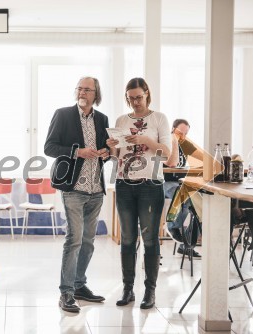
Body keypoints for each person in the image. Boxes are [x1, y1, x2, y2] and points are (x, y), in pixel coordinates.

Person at [44, 76, 110, 313]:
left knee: (88, 242)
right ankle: (66, 292)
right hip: (73, 188)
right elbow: (49, 147)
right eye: (79, 88)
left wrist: (107, 152)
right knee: (74, 240)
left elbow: (108, 149)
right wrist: (77, 152)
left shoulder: (102, 119)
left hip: (96, 189)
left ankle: (80, 285)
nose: (82, 92)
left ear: (96, 94)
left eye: (87, 89)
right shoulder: (62, 114)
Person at [106, 77, 171, 309]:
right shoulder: (121, 120)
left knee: (150, 239)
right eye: (131, 98)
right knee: (127, 239)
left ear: (147, 94)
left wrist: (144, 139)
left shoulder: (159, 118)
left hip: (150, 185)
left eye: (139, 97)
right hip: (124, 183)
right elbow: (115, 157)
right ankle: (127, 289)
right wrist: (112, 145)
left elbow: (168, 155)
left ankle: (150, 292)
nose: (135, 102)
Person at [163, 119, 204, 258]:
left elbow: (200, 159)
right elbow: (169, 164)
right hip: (164, 182)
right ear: (173, 129)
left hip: (180, 183)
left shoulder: (185, 145)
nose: (183, 136)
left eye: (186, 133)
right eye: (180, 132)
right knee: (184, 195)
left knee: (199, 204)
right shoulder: (165, 142)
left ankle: (186, 245)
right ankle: (172, 226)